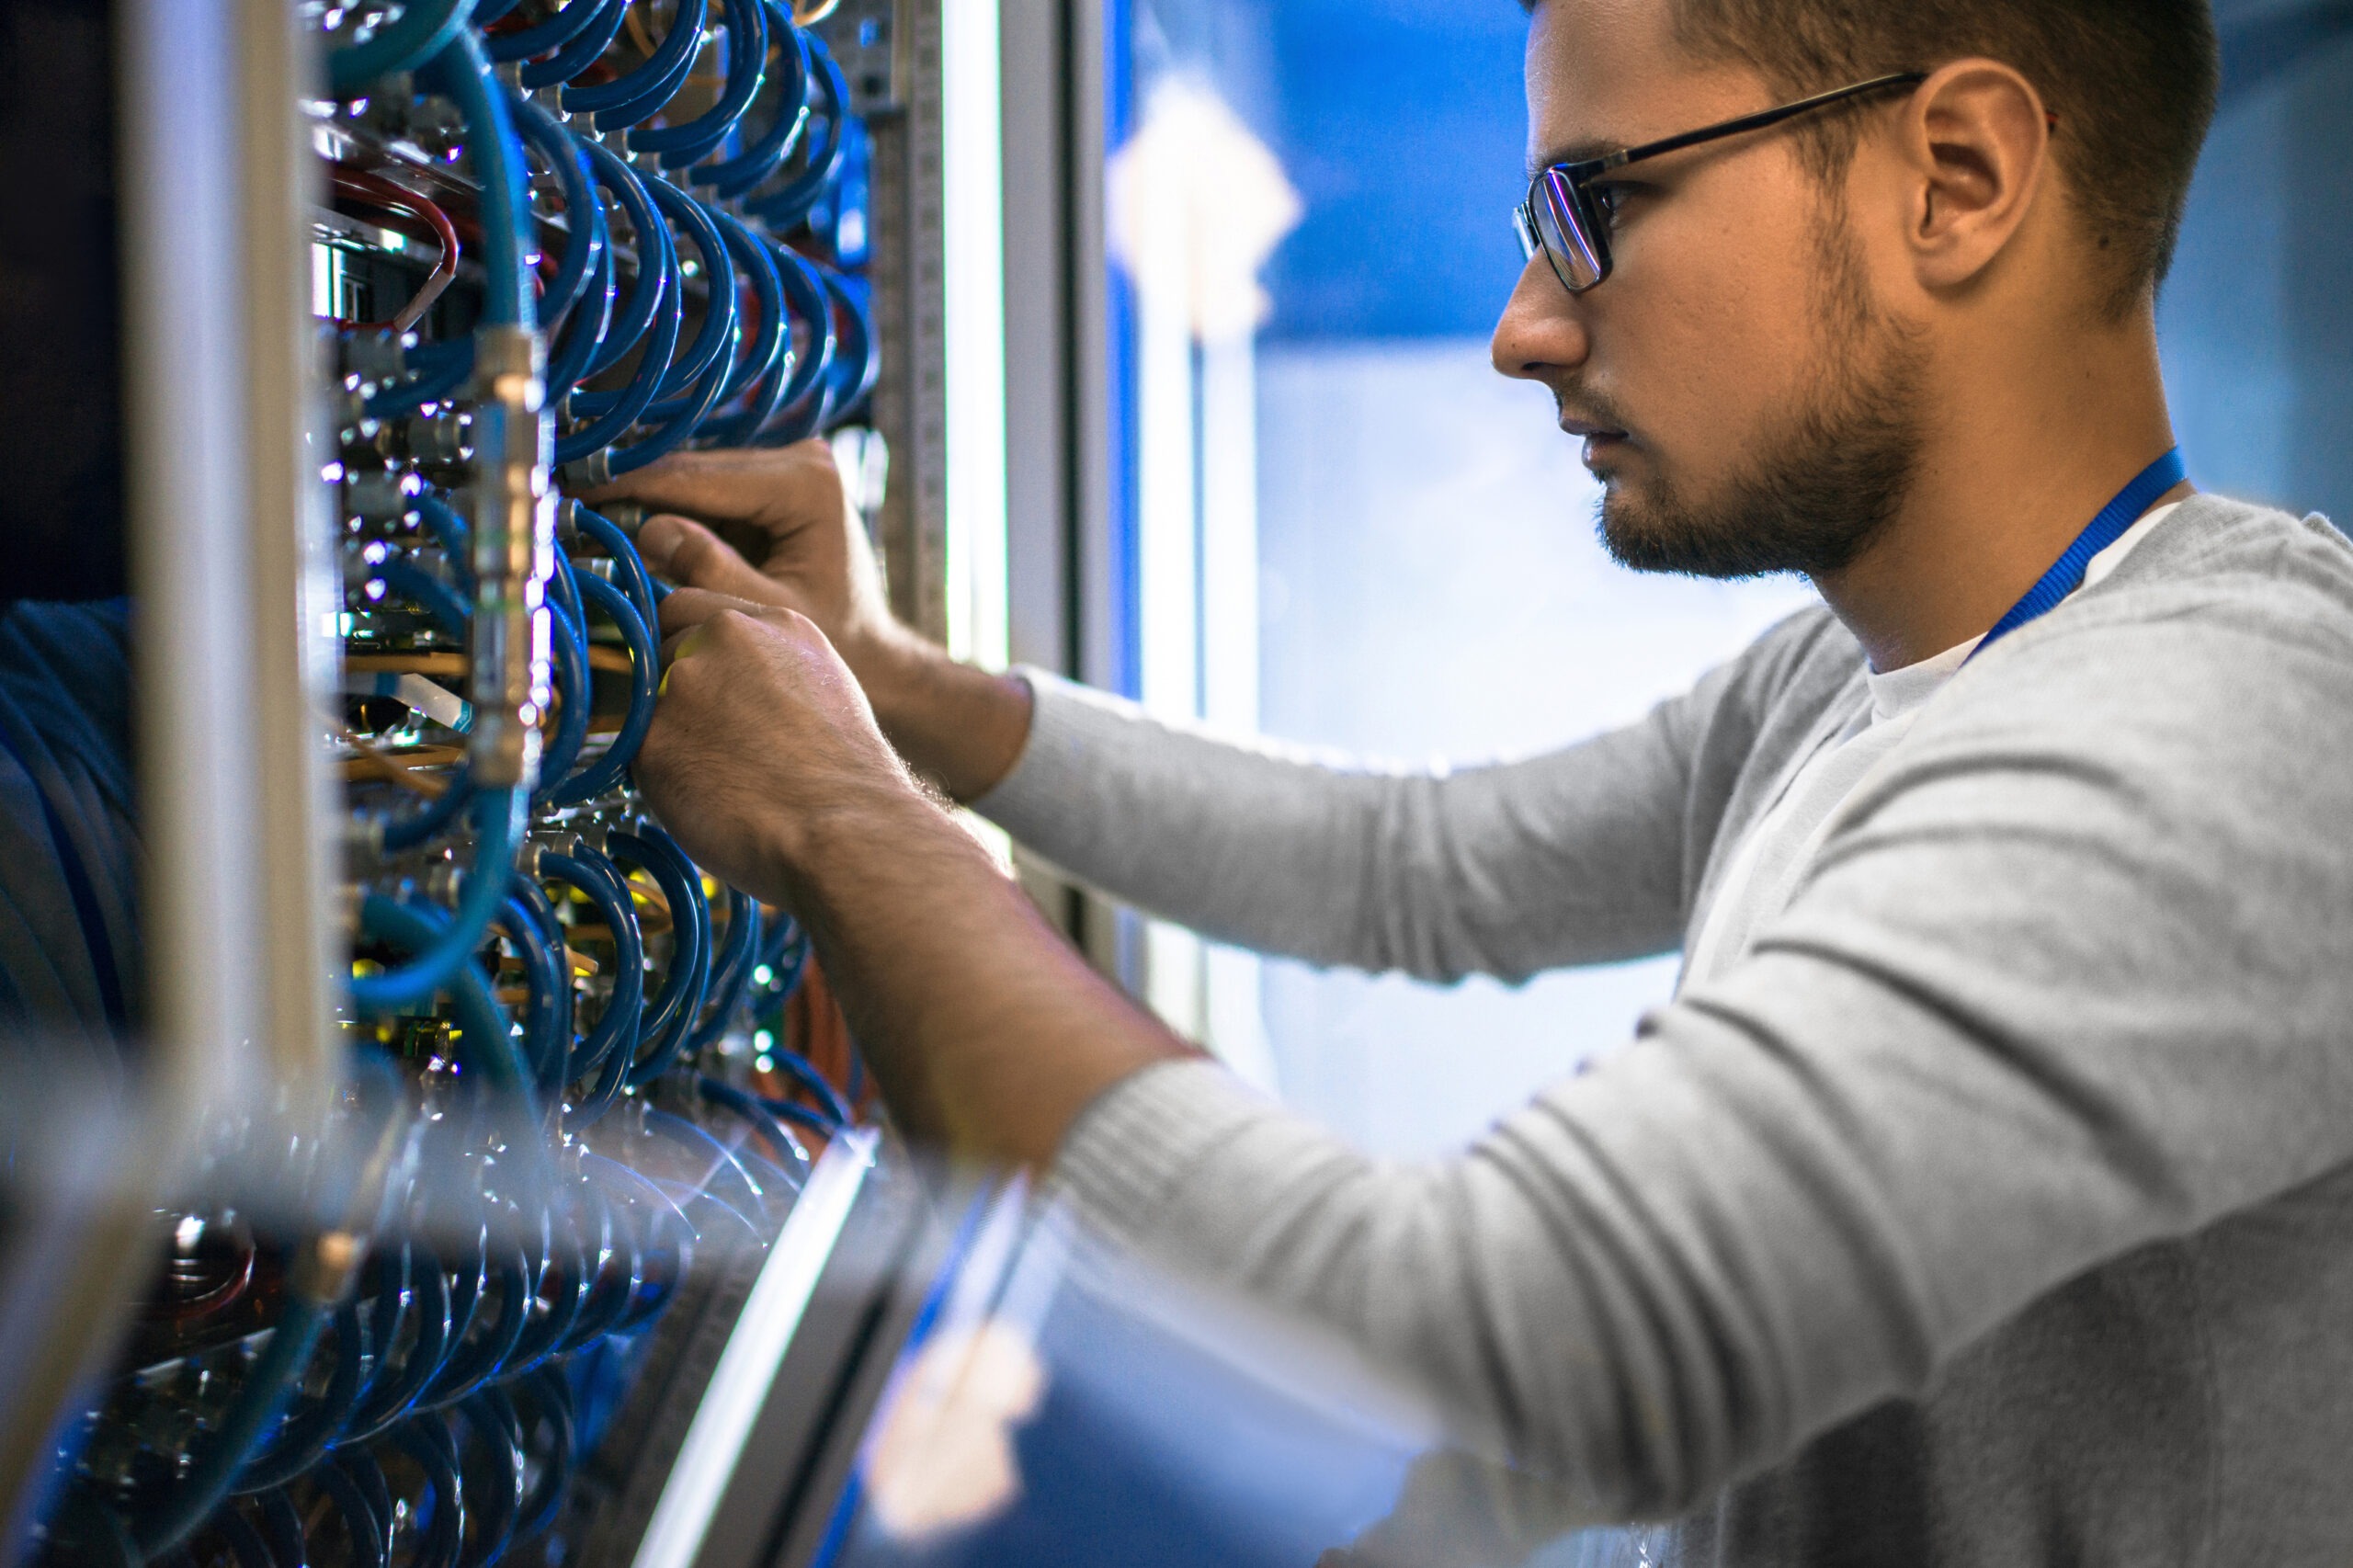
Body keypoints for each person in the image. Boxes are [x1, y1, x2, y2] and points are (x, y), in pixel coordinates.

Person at [589, 0, 2353, 1559]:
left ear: (1956, 177)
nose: (1525, 329)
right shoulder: (1850, 679)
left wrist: (842, 823)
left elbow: (1504, 1327)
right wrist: (896, 694)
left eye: (1595, 208)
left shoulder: (2227, 732)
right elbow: (1410, 865)